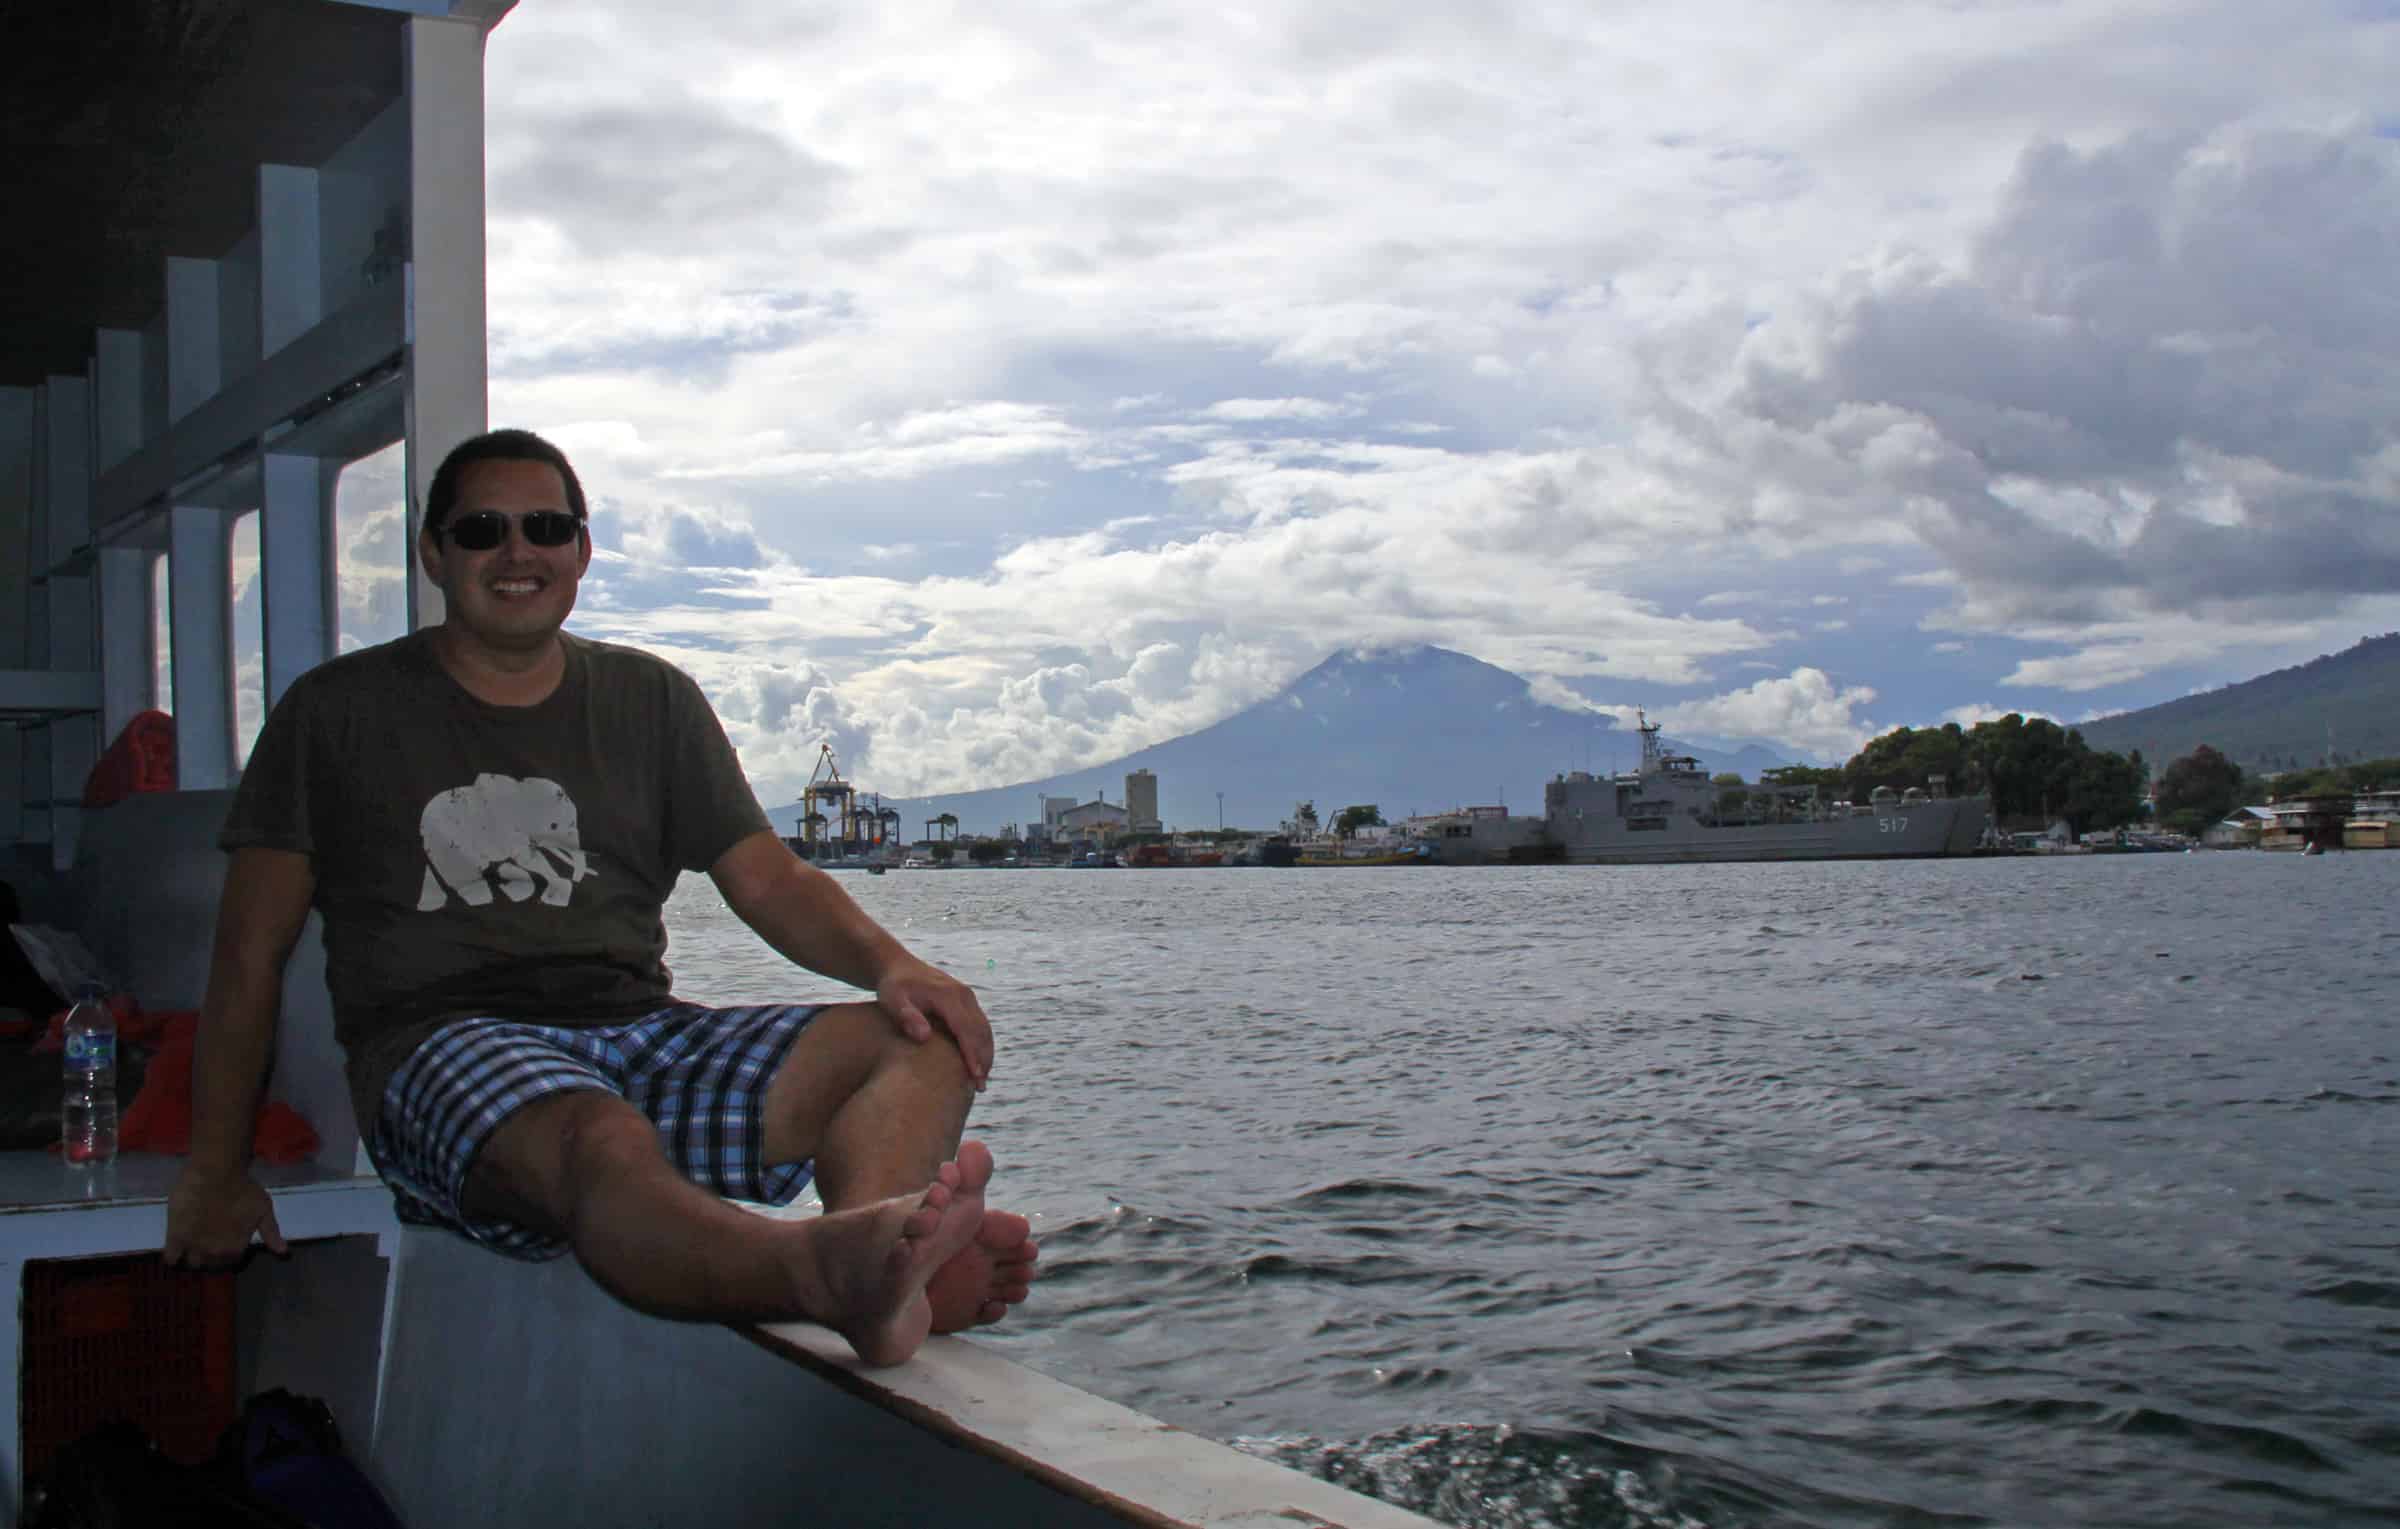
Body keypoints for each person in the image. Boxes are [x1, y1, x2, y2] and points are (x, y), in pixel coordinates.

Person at [162, 428, 1034, 1367]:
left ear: (581, 549)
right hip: (442, 1043)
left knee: (921, 1039)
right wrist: (215, 1169)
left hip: (634, 1030)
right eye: (482, 528)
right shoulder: (334, 713)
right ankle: (818, 1272)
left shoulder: (650, 700)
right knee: (601, 1131)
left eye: (545, 526)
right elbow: (249, 952)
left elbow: (771, 878)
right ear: (432, 553)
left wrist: (894, 965)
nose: (516, 551)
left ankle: (880, 1260)